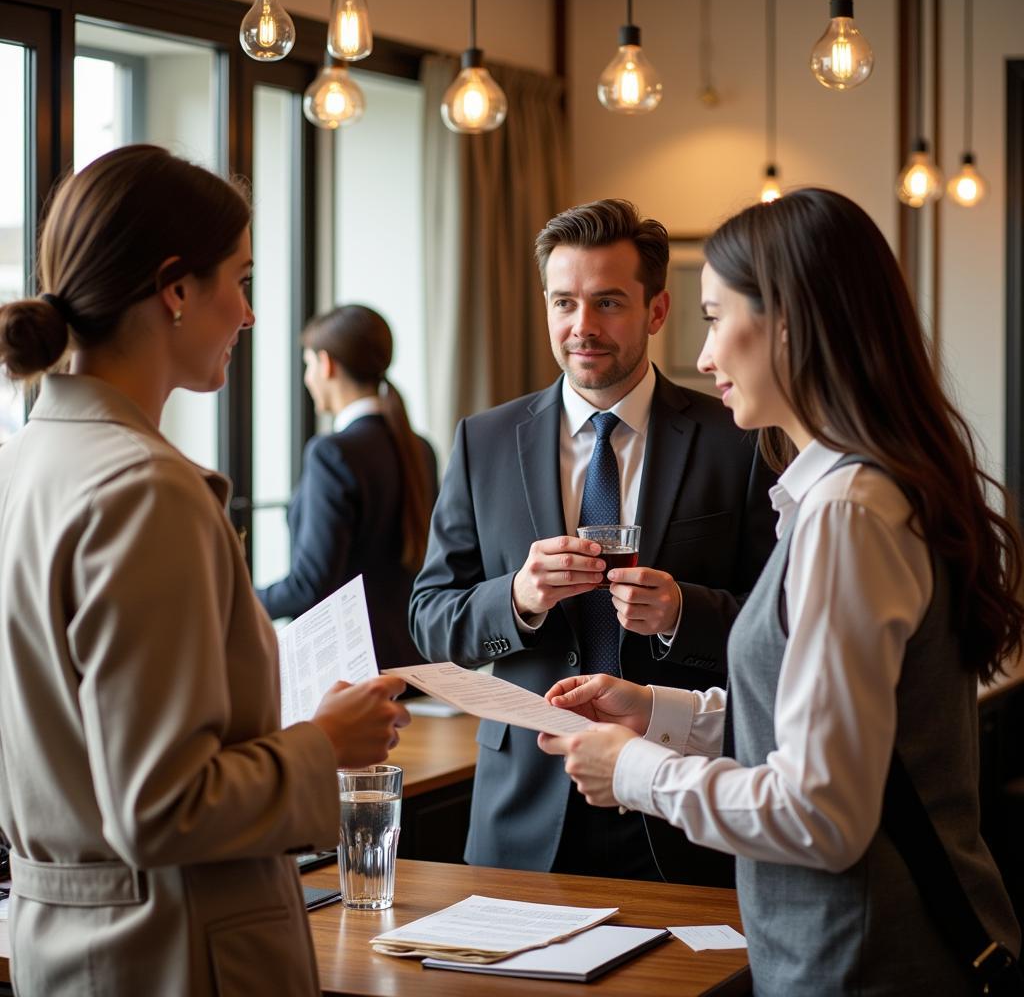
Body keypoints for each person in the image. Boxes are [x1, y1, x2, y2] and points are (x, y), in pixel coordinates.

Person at [539, 188, 1023, 994]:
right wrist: (657, 712)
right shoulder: (850, 493)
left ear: (791, 325)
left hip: (861, 960)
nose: (702, 356)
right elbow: (826, 723)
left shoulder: (848, 514)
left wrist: (635, 771)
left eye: (714, 316)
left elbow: (821, 813)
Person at [0, 144, 411, 997]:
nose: (250, 315)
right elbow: (161, 804)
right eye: (242, 280)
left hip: (69, 944)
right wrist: (323, 746)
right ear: (176, 289)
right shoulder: (144, 489)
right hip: (175, 952)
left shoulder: (24, 465)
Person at [409, 198, 776, 885]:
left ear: (657, 312)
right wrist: (517, 598)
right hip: (523, 809)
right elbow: (430, 620)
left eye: (608, 303)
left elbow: (781, 627)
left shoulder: (740, 441)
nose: (582, 327)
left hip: (679, 812)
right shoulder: (483, 441)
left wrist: (681, 613)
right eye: (564, 303)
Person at [256, 304, 437, 671]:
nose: (308, 378)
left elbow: (310, 583)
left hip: (349, 667)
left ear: (326, 364)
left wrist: (239, 602)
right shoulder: (419, 449)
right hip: (415, 658)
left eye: (308, 365)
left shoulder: (331, 452)